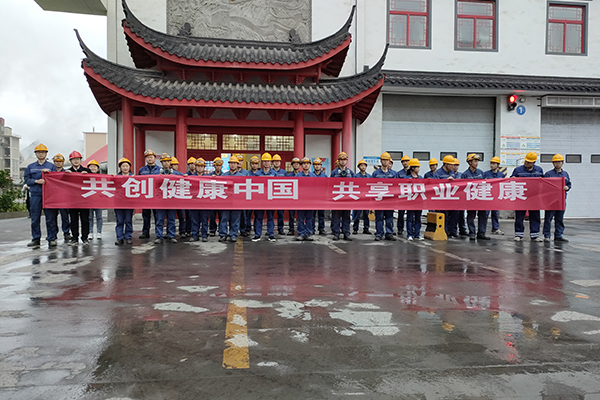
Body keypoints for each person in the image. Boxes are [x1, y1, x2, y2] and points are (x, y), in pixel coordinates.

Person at [24, 144, 58, 248]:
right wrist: (36, 181)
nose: (41, 154)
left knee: (50, 218)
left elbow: (56, 180)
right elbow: (27, 180)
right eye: (39, 152)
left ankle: (51, 238)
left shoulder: (51, 166)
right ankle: (36, 239)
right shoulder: (31, 167)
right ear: (36, 154)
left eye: (43, 152)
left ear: (46, 153)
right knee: (35, 218)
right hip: (35, 194)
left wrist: (48, 175)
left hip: (48, 195)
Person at [511, 151, 544, 242]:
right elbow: (511, 182)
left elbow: (544, 183)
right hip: (521, 196)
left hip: (534, 197)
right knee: (519, 216)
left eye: (529, 162)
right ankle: (518, 234)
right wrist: (512, 179)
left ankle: (535, 235)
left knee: (535, 216)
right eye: (526, 161)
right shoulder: (518, 170)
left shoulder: (539, 170)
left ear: (534, 162)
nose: (526, 163)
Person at [461, 154, 490, 241]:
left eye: (477, 161)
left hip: (480, 198)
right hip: (471, 199)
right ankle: (472, 233)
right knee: (471, 216)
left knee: (483, 215)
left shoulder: (481, 173)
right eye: (475, 161)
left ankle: (481, 233)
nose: (477, 163)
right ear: (470, 162)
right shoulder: (465, 175)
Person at [543, 153, 571, 242]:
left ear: (562, 163)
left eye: (559, 162)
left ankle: (558, 235)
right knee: (548, 218)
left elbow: (569, 184)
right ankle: (547, 235)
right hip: (551, 201)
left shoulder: (565, 174)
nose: (557, 164)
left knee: (559, 218)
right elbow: (543, 186)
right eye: (555, 162)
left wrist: (567, 187)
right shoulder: (548, 174)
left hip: (561, 200)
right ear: (553, 163)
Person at [66, 151, 90, 245]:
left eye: (78, 159)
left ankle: (85, 237)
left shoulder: (87, 171)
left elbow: (95, 179)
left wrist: (87, 175)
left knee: (85, 220)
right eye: (74, 159)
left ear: (80, 160)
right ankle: (74, 238)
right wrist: (65, 175)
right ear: (71, 161)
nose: (76, 161)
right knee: (73, 220)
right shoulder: (67, 172)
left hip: (84, 199)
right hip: (72, 200)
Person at [372, 152, 397, 241]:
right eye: (383, 160)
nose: (385, 162)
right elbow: (372, 186)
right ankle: (379, 233)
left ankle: (389, 233)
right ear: (381, 161)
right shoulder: (375, 174)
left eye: (387, 160)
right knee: (379, 217)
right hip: (379, 200)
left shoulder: (394, 174)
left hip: (390, 200)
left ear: (389, 161)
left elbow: (396, 186)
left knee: (389, 218)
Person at [330, 152, 355, 241]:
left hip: (347, 199)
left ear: (346, 161)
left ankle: (346, 233)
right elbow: (330, 185)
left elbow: (355, 184)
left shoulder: (350, 173)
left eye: (344, 160)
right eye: (341, 160)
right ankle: (336, 233)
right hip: (337, 198)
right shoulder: (334, 173)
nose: (343, 161)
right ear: (339, 161)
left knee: (346, 217)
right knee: (336, 217)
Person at [154, 153, 178, 244]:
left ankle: (171, 235)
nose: (166, 163)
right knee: (160, 219)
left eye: (168, 161)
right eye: (164, 161)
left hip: (171, 200)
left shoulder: (176, 173)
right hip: (160, 200)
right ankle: (159, 236)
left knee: (171, 219)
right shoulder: (157, 173)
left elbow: (185, 179)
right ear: (161, 163)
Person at [433, 155, 459, 237]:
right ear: (446, 164)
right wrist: (446, 181)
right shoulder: (438, 173)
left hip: (452, 198)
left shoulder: (452, 172)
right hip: (442, 199)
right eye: (451, 165)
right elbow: (435, 186)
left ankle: (452, 231)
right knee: (444, 216)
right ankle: (444, 231)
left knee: (454, 215)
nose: (453, 167)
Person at [253, 153, 277, 242]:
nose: (266, 163)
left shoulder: (274, 174)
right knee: (258, 217)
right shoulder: (257, 174)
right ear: (262, 163)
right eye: (265, 161)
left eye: (268, 161)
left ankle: (271, 234)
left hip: (270, 199)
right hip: (260, 199)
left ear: (271, 163)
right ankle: (257, 235)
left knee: (270, 217)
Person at [138, 149, 161, 239]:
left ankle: (158, 233)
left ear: (155, 158)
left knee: (157, 216)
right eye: (148, 157)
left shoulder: (160, 170)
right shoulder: (141, 170)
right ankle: (145, 232)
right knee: (146, 215)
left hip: (156, 196)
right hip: (146, 196)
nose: (150, 159)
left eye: (151, 157)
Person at [220, 156, 243, 242]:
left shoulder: (242, 177)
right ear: (228, 164)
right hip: (226, 200)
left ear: (237, 165)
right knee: (224, 218)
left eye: (234, 163)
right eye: (231, 163)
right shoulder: (223, 175)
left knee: (235, 219)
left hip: (237, 201)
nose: (233, 165)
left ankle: (233, 235)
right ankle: (223, 234)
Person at [296, 157, 317, 241]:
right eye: (304, 163)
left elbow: (316, 188)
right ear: (301, 165)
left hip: (310, 201)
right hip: (300, 201)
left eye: (307, 163)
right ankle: (301, 233)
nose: (306, 165)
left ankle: (308, 233)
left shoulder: (313, 176)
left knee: (309, 218)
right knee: (301, 218)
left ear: (310, 165)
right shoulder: (298, 175)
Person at [190, 158, 210, 242]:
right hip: (194, 202)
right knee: (194, 220)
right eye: (198, 166)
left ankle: (204, 235)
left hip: (204, 203)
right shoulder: (190, 178)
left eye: (201, 166)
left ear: (204, 167)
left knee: (204, 220)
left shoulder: (208, 178)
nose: (200, 168)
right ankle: (195, 235)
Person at [483, 156, 505, 235]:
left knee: (495, 213)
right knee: (485, 214)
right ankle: (482, 229)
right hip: (487, 196)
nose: (492, 165)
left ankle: (495, 228)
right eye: (491, 163)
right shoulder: (485, 174)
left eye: (494, 163)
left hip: (496, 197)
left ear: (498, 165)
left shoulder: (501, 175)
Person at [115, 158, 134, 245]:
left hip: (129, 202)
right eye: (123, 166)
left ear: (129, 167)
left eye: (127, 166)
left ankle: (128, 236)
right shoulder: (116, 178)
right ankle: (119, 237)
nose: (125, 168)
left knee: (128, 220)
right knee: (119, 220)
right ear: (120, 167)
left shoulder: (134, 178)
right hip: (118, 202)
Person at [52, 153, 71, 241]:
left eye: (60, 161)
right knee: (52, 217)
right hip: (52, 198)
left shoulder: (66, 173)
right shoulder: (50, 173)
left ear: (63, 162)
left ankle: (66, 233)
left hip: (63, 198)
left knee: (65, 217)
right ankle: (53, 234)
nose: (58, 163)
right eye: (56, 161)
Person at [404, 158, 424, 241]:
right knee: (410, 218)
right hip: (410, 201)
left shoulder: (421, 178)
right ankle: (409, 234)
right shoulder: (407, 178)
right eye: (417, 167)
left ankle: (417, 234)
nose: (418, 169)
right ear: (413, 168)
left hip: (419, 201)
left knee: (418, 218)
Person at [169, 157, 187, 237]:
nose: (176, 166)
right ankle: (178, 232)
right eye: (174, 165)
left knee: (180, 216)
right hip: (172, 198)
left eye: (176, 165)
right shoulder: (166, 173)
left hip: (178, 198)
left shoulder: (179, 174)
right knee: (171, 217)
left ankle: (181, 231)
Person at [352, 159, 371, 234]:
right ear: (359, 167)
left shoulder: (369, 176)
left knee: (366, 214)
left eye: (364, 165)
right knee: (357, 214)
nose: (363, 167)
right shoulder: (355, 176)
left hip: (366, 198)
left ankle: (366, 228)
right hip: (358, 198)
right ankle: (355, 228)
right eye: (361, 165)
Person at [87, 160, 104, 240]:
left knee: (99, 217)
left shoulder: (101, 177)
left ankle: (99, 232)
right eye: (91, 167)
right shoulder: (85, 177)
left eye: (95, 167)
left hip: (98, 200)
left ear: (98, 168)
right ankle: (90, 232)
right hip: (88, 200)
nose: (93, 168)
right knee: (89, 217)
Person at [271, 154, 287, 235]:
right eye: (275, 161)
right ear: (272, 163)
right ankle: (270, 229)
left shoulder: (284, 172)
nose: (276, 163)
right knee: (271, 214)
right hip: (271, 195)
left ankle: (280, 228)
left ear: (280, 162)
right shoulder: (270, 172)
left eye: (278, 161)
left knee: (280, 213)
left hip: (280, 195)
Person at [208, 157, 224, 236]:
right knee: (212, 216)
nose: (218, 167)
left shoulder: (225, 175)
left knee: (222, 216)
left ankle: (221, 230)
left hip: (221, 199)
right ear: (214, 166)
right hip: (212, 198)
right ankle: (212, 229)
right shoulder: (209, 175)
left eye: (219, 165)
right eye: (217, 165)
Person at [312, 158, 328, 235]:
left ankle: (321, 229)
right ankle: (312, 229)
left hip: (321, 198)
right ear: (313, 166)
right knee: (312, 215)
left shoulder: (324, 176)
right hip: (312, 198)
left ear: (321, 166)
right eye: (315, 165)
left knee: (321, 214)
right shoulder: (311, 175)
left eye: (318, 165)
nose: (317, 166)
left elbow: (327, 187)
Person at [396, 155, 411, 236]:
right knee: (401, 214)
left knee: (411, 214)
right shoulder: (399, 173)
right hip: (402, 196)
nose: (405, 163)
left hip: (411, 196)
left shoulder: (413, 172)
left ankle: (411, 228)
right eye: (403, 161)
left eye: (406, 161)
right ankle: (400, 228)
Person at [286, 157, 301, 236]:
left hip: (300, 198)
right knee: (291, 215)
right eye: (294, 164)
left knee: (300, 215)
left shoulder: (302, 175)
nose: (296, 165)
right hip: (291, 197)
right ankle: (291, 229)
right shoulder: (288, 175)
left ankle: (300, 229)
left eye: (297, 164)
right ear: (292, 165)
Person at [183, 157, 198, 238]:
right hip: (188, 198)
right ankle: (188, 230)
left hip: (197, 198)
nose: (192, 165)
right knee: (188, 215)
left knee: (197, 216)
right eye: (190, 164)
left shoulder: (200, 175)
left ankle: (196, 230)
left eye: (193, 164)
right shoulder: (186, 175)